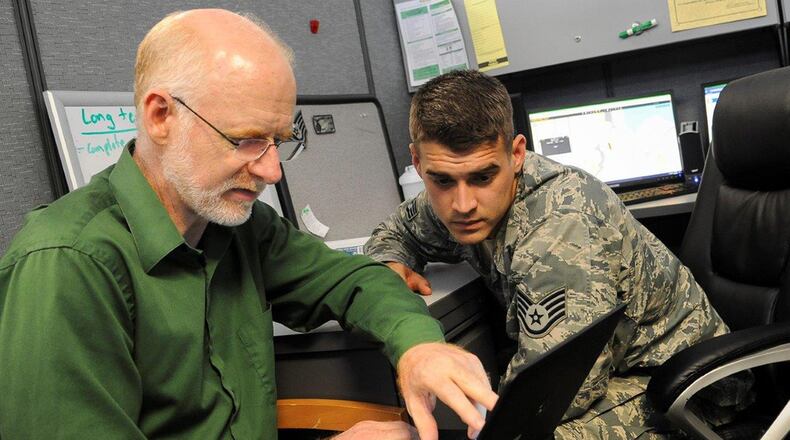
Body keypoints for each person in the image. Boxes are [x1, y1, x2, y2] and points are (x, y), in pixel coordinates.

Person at [0, 10, 497, 440]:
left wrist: (419, 346)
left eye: (279, 139)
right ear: (160, 116)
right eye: (245, 139)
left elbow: (357, 278)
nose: (271, 171)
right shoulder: (68, 268)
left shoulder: (235, 225)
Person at [365, 70, 735, 438]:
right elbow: (394, 232)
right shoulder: (460, 200)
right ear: (417, 162)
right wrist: (390, 265)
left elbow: (554, 391)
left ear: (517, 154)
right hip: (600, 366)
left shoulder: (561, 227)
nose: (463, 205)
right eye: (442, 180)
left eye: (483, 177)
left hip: (685, 382)